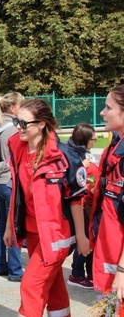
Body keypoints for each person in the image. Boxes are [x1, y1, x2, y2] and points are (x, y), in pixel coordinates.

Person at [3, 98, 88, 317]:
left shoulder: (64, 156)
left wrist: (81, 236)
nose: (18, 127)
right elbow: (17, 193)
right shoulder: (18, 150)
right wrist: (9, 227)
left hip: (56, 235)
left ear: (41, 124)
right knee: (54, 285)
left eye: (24, 123)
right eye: (16, 121)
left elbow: (76, 199)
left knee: (31, 286)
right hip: (33, 232)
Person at [91, 84, 124, 314]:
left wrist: (122, 272)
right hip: (110, 260)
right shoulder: (116, 150)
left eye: (108, 107)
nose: (102, 112)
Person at [0, 92, 25, 282]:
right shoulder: (14, 129)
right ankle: (15, 270)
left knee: (0, 226)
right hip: (9, 182)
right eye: (22, 104)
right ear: (13, 108)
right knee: (13, 226)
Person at [64, 123, 98, 290]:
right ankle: (78, 274)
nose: (96, 141)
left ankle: (84, 274)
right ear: (87, 140)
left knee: (85, 239)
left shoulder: (75, 152)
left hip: (84, 205)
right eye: (94, 139)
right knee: (84, 239)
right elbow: (77, 191)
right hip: (82, 205)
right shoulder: (76, 158)